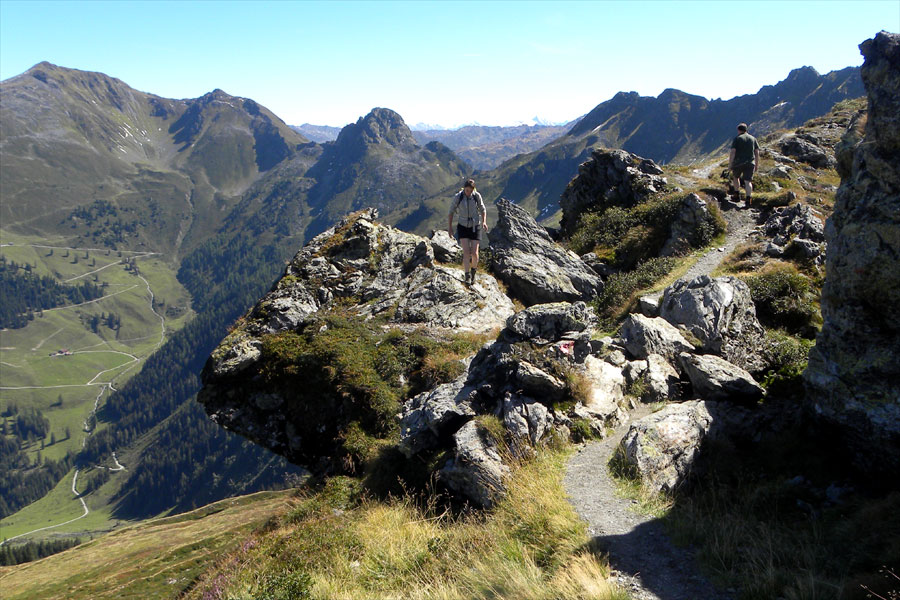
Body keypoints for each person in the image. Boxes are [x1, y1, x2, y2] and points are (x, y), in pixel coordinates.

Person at [448, 179, 488, 285]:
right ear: (464, 188)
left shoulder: (476, 196)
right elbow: (451, 211)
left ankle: (473, 272)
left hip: (475, 226)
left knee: (474, 253)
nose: (468, 192)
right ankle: (467, 275)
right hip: (463, 226)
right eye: (467, 190)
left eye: (470, 190)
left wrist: (484, 222)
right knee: (466, 252)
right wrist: (450, 228)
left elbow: (483, 209)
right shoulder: (458, 197)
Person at [729, 122, 761, 206]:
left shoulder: (737, 138)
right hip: (750, 163)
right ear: (746, 130)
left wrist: (730, 164)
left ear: (738, 130)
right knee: (748, 182)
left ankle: (736, 195)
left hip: (738, 163)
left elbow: (733, 152)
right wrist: (757, 165)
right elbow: (757, 152)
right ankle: (748, 199)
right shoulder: (753, 139)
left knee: (736, 177)